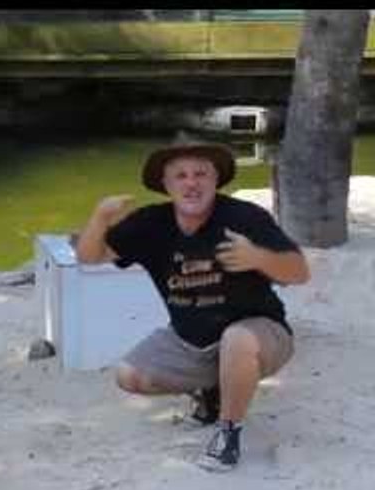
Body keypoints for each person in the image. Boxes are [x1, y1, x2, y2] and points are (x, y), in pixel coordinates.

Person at [76, 135, 311, 471]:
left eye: (201, 174)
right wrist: (100, 218)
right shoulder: (150, 223)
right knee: (129, 376)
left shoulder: (246, 218)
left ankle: (228, 433)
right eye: (181, 175)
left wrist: (257, 256)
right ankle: (213, 391)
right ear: (166, 185)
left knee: (237, 339)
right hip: (191, 340)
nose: (191, 183)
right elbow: (89, 258)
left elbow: (299, 272)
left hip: (262, 334)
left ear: (216, 180)